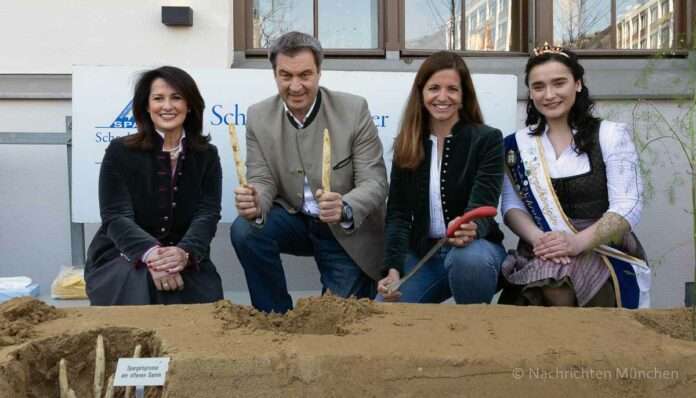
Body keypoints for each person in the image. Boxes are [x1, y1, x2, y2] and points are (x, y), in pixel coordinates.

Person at [230, 32, 388, 313]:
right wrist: (256, 201)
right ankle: (274, 316)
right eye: (285, 76)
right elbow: (262, 178)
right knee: (246, 229)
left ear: (319, 72)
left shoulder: (353, 110)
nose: (296, 86)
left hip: (344, 229)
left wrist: (346, 205)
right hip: (295, 219)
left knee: (336, 318)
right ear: (275, 75)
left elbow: (374, 181)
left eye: (305, 75)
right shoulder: (258, 116)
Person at [499, 44, 650, 308]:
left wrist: (575, 243)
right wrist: (540, 240)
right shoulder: (517, 145)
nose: (549, 94)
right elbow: (511, 206)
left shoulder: (610, 135)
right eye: (538, 86)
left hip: (599, 245)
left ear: (577, 84)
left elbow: (628, 206)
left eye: (559, 83)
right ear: (531, 93)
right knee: (547, 278)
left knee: (558, 284)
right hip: (542, 245)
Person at [85, 66, 224, 305]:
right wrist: (151, 256)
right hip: (121, 256)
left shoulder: (207, 155)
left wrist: (183, 254)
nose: (167, 106)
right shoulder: (120, 152)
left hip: (182, 256)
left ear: (189, 105)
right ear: (146, 107)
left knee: (203, 301)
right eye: (158, 98)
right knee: (145, 285)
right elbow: (115, 216)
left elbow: (207, 213)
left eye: (176, 98)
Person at [377, 51, 506, 304]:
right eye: (434, 88)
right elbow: (398, 214)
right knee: (384, 310)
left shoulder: (487, 139)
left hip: (477, 251)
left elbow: (483, 207)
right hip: (425, 256)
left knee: (468, 258)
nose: (442, 97)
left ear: (463, 95)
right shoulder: (407, 143)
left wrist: (470, 230)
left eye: (452, 89)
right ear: (421, 93)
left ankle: (475, 333)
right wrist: (392, 267)